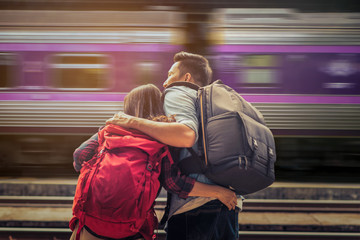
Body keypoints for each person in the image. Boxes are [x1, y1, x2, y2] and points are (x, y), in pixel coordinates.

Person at [70, 83, 238, 240]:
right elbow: (175, 183)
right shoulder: (160, 141)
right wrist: (219, 192)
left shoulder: (110, 130)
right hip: (131, 229)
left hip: (89, 225)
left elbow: (79, 155)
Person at [107, 52, 240, 240]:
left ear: (186, 77)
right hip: (228, 205)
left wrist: (133, 121)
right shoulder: (208, 103)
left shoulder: (177, 92)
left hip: (196, 210)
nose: (165, 82)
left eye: (170, 74)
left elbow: (185, 140)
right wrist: (221, 192)